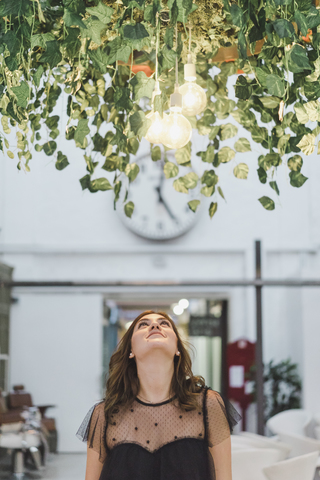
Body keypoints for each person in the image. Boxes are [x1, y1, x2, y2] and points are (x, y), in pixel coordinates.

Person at [77, 310, 241, 480]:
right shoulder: (104, 414)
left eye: (164, 323)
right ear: (130, 350)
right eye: (143, 325)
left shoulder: (208, 404)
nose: (155, 325)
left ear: (177, 348)